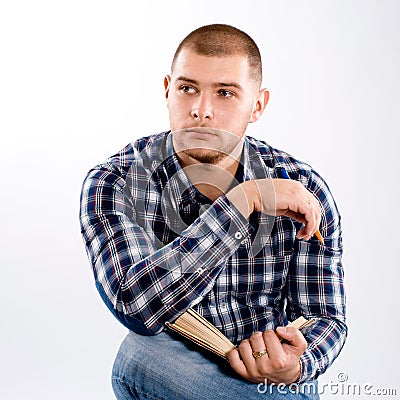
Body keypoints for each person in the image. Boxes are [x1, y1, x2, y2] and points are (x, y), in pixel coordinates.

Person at [79, 24, 346, 399]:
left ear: (257, 105)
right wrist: (243, 202)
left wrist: (297, 363)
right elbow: (135, 305)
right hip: (168, 371)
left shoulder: (304, 187)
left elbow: (326, 315)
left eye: (225, 93)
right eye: (188, 89)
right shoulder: (118, 182)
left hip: (268, 381)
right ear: (168, 90)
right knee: (140, 355)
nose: (202, 111)